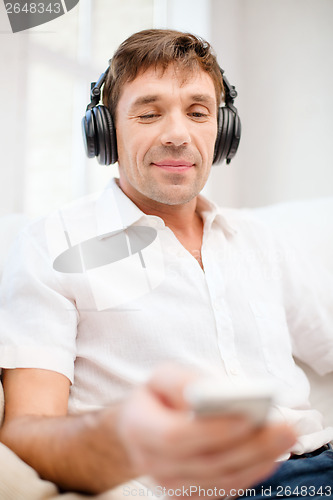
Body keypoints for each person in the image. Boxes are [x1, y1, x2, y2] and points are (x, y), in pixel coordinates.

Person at [0, 29, 332, 498]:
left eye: (198, 112)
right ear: (106, 131)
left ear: (223, 129)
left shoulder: (262, 241)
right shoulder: (53, 244)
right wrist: (123, 440)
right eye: (149, 113)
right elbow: (25, 431)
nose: (178, 135)